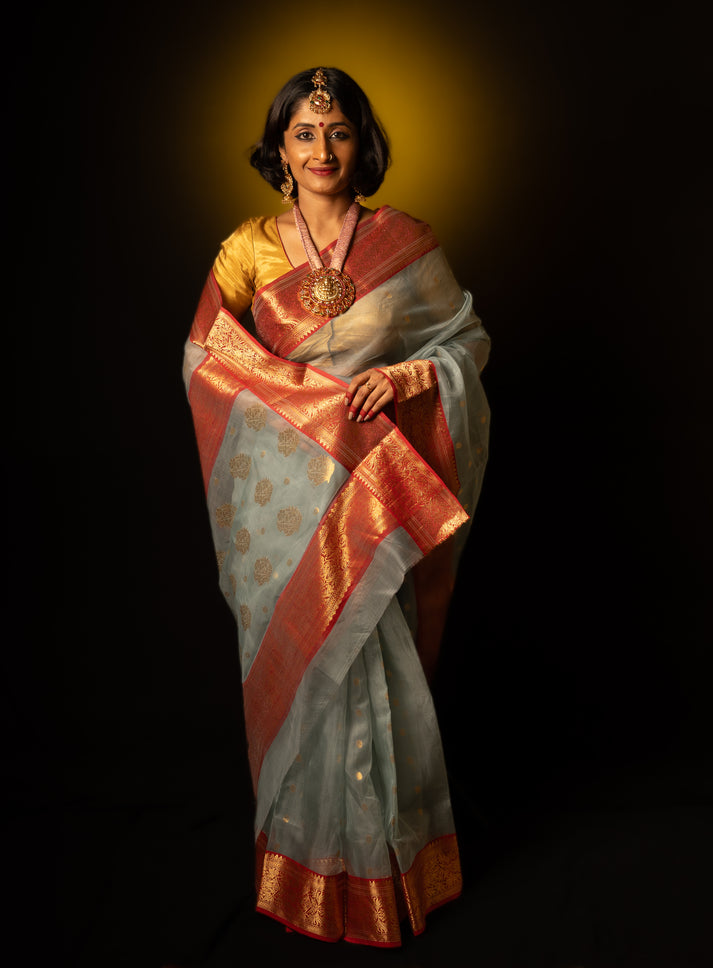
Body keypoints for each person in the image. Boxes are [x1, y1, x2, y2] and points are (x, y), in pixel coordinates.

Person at [183, 67, 490, 947]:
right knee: (308, 680)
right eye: (304, 133)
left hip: (372, 503)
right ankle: (308, 873)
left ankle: (390, 878)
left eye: (339, 131)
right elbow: (206, 359)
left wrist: (406, 373)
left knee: (375, 672)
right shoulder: (249, 249)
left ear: (363, 145)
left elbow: (466, 337)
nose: (322, 150)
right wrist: (298, 406)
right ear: (279, 150)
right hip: (284, 508)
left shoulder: (404, 239)